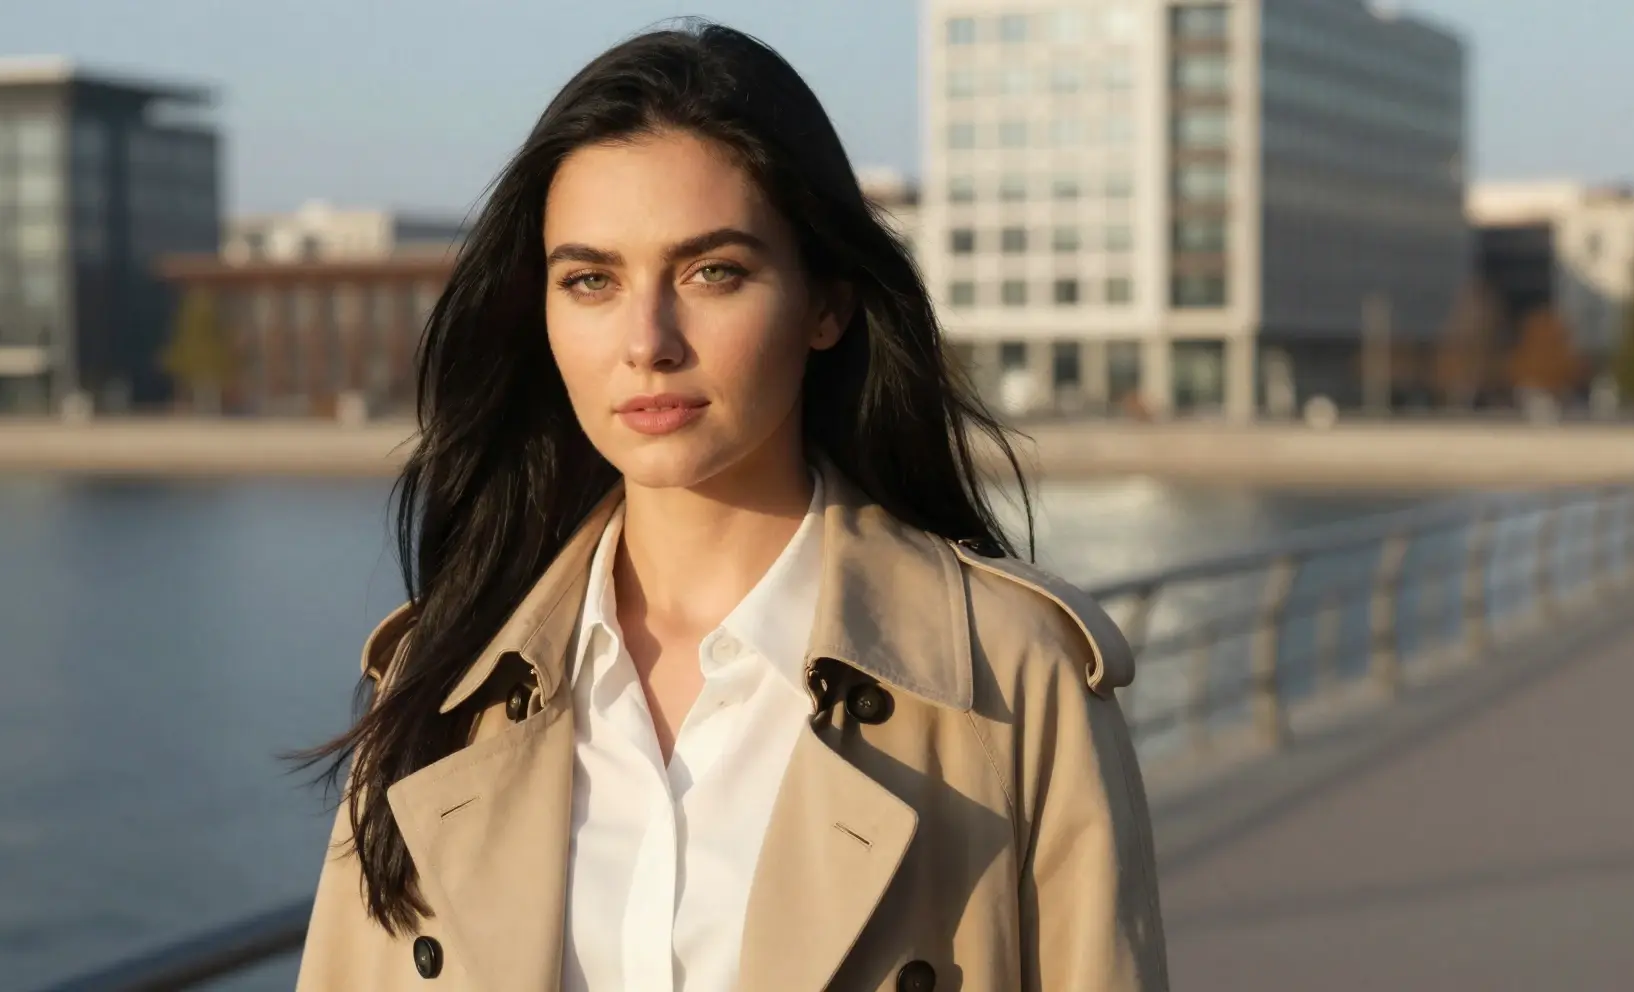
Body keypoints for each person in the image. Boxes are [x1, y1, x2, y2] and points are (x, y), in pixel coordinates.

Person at [294, 20, 1168, 992]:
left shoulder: (1009, 680)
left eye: (713, 271)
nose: (648, 339)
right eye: (591, 279)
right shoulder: (443, 677)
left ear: (826, 303)